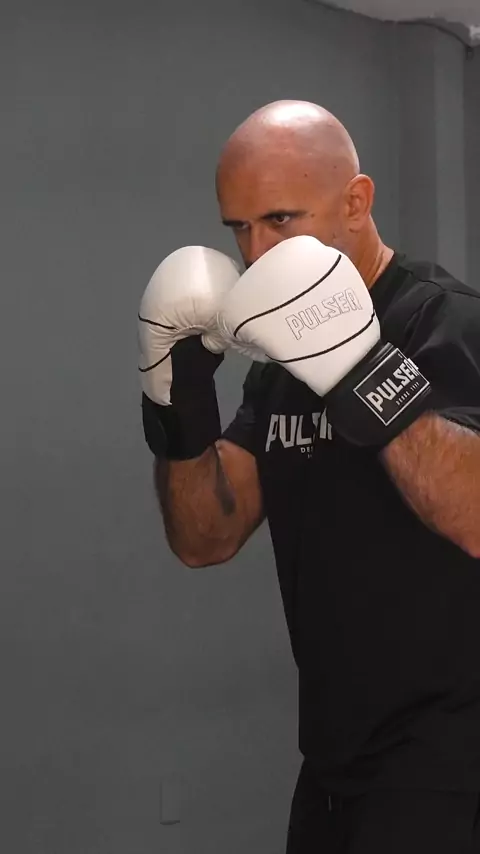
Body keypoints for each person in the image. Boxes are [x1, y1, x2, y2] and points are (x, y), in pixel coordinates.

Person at [138, 101, 480, 852]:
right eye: (239, 228)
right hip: (332, 763)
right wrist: (182, 407)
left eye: (280, 220)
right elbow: (205, 538)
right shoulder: (278, 357)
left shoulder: (447, 322)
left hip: (451, 766)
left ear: (356, 202)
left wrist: (358, 368)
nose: (256, 254)